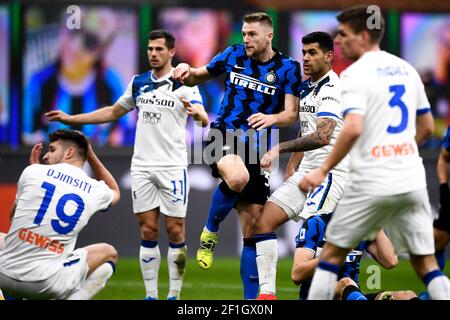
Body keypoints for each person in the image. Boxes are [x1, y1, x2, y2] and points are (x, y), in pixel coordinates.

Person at [299, 5, 450, 300]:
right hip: (411, 179)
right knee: (427, 265)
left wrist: (321, 169)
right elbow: (428, 127)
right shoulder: (407, 69)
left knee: (330, 260)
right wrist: (400, 150)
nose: (338, 41)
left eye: (344, 34)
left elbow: (353, 128)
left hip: (372, 179)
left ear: (364, 36)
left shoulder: (354, 75)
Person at [46, 29, 208, 300]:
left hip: (172, 167)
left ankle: (174, 295)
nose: (153, 54)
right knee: (148, 230)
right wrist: (72, 119)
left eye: (159, 49)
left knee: (175, 230)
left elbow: (204, 119)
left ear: (171, 52)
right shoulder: (138, 82)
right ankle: (151, 295)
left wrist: (198, 113)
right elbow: (113, 112)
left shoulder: (186, 82)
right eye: (150, 49)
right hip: (142, 167)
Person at [173, 12, 301, 299]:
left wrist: (272, 119)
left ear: (269, 35)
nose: (246, 39)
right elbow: (197, 75)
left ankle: (250, 302)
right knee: (238, 176)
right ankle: (210, 233)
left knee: (253, 231)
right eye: (244, 33)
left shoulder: (289, 68)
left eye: (252, 34)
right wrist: (184, 69)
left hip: (258, 148)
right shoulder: (233, 54)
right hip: (224, 135)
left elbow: (291, 113)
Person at [252, 31, 348, 300]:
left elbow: (323, 136)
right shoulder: (308, 87)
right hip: (306, 173)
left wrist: (279, 149)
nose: (305, 58)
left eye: (312, 52)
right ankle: (267, 295)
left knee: (308, 256)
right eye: (303, 52)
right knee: (264, 221)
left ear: (329, 56)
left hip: (329, 177)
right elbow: (305, 129)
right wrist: (293, 165)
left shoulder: (332, 89)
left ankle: (344, 281)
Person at [0, 129, 120, 300]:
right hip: (46, 284)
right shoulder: (94, 188)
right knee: (109, 252)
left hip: (3, 275)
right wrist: (90, 154)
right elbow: (114, 191)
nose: (46, 156)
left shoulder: (32, 171)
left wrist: (33, 170)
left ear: (69, 152)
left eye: (52, 149)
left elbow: (12, 218)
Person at [23, 8, 134, 146]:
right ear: (61, 31)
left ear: (102, 50)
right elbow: (25, 136)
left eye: (90, 41)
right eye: (73, 33)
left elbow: (126, 133)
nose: (75, 47)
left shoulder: (112, 83)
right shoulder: (38, 84)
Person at [292, 213, 418, 300]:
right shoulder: (316, 224)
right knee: (345, 283)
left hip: (352, 294)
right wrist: (332, 256)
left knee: (407, 295)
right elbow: (297, 275)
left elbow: (390, 261)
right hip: (317, 294)